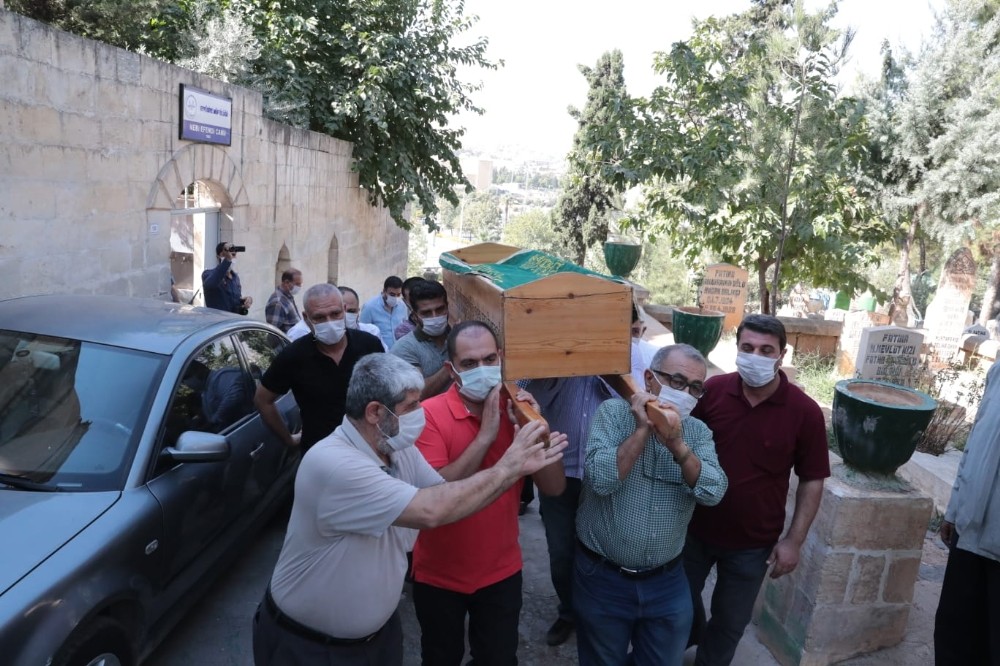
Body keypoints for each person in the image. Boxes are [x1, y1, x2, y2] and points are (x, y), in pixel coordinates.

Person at [252, 353, 567, 665]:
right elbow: (432, 510)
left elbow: (445, 494)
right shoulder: (335, 465)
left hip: (377, 638)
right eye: (412, 406)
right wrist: (510, 466)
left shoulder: (396, 448)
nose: (421, 413)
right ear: (376, 412)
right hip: (313, 647)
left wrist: (517, 460)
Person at [411, 321, 568, 666]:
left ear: (501, 358)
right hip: (438, 574)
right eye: (469, 364)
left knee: (497, 658)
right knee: (440, 657)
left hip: (500, 572)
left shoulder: (519, 411)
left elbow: (554, 487)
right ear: (452, 370)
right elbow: (435, 492)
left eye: (488, 359)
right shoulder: (429, 415)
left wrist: (534, 426)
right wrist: (487, 434)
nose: (482, 370)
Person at [685, 314, 830, 666]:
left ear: (782, 355)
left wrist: (793, 541)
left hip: (752, 543)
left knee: (731, 621)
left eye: (767, 350)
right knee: (677, 606)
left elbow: (812, 479)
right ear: (736, 349)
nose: (756, 356)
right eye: (748, 348)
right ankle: (688, 639)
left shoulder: (805, 412)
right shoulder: (714, 392)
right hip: (693, 530)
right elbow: (681, 445)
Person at [575, 344, 727, 666]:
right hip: (604, 577)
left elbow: (713, 492)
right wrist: (644, 428)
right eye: (676, 381)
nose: (684, 393)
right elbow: (601, 480)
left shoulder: (697, 433)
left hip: (666, 583)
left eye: (695, 388)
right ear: (649, 379)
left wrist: (677, 445)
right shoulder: (614, 415)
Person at [520, 375, 615, 646]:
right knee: (561, 553)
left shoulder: (624, 357)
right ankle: (570, 612)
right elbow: (521, 395)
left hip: (604, 473)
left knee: (602, 551)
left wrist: (605, 373)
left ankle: (598, 614)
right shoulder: (546, 362)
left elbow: (632, 400)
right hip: (558, 469)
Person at [253, 283, 384, 452]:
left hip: (370, 448)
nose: (329, 322)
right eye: (320, 317)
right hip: (320, 452)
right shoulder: (294, 356)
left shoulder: (369, 344)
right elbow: (262, 399)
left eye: (335, 313)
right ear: (306, 318)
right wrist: (288, 439)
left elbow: (387, 392)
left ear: (344, 310)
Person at [934, 361, 1000, 665]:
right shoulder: (998, 371)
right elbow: (974, 444)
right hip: (970, 532)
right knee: (954, 634)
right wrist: (954, 509)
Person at [390, 279, 453, 399]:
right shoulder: (404, 348)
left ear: (447, 307)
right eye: (426, 313)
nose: (435, 317)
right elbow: (416, 393)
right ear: (415, 316)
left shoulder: (457, 337)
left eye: (440, 309)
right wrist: (454, 359)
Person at [202, 242, 252, 314]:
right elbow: (211, 283)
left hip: (233, 322)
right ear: (218, 257)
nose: (231, 257)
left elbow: (233, 302)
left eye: (233, 255)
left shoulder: (235, 278)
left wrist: (245, 302)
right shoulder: (207, 274)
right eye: (226, 254)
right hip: (218, 322)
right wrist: (227, 260)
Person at [361, 275, 407, 349]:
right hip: (379, 353)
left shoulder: (402, 306)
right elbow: (363, 332)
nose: (395, 297)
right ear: (384, 291)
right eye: (392, 294)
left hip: (399, 352)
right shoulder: (370, 307)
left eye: (398, 295)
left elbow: (404, 328)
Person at [264, 269, 303, 333]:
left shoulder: (288, 296)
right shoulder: (277, 303)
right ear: (287, 282)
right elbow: (273, 332)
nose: (300, 287)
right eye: (297, 284)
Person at [393, 276, 426, 340]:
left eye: (422, 297)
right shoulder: (403, 331)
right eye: (413, 299)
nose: (419, 302)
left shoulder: (441, 322)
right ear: (406, 302)